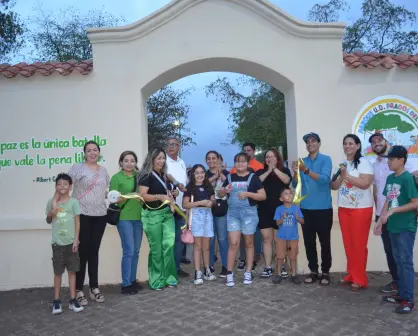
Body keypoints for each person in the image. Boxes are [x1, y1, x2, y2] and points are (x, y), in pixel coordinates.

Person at [369, 133, 418, 294]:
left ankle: (407, 297)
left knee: (404, 260)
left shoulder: (405, 172)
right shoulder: (384, 172)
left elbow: (414, 198)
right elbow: (384, 196)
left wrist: (393, 210)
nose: (389, 161)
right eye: (373, 142)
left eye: (392, 159)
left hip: (404, 221)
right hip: (388, 219)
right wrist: (380, 216)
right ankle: (399, 288)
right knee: (393, 255)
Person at [68, 141, 109, 305]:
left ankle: (94, 288)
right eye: (89, 150)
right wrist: (59, 203)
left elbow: (103, 191)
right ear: (84, 153)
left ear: (99, 152)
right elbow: (64, 185)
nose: (92, 153)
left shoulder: (104, 170)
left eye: (95, 150)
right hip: (82, 215)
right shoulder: (78, 168)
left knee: (94, 252)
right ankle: (78, 289)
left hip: (100, 215)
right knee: (82, 253)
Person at [331, 134, 373, 291]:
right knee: (348, 244)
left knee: (359, 244)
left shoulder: (364, 162)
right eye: (345, 144)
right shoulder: (341, 163)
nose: (347, 146)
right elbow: (334, 186)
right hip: (344, 208)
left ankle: (360, 279)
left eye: (350, 143)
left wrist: (346, 176)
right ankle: (351, 274)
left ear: (357, 146)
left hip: (361, 209)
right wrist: (340, 178)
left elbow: (365, 183)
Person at [218, 152, 266, 287]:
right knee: (233, 243)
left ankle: (248, 272)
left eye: (243, 161)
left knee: (249, 243)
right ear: (234, 163)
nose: (240, 164)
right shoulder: (229, 177)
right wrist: (224, 191)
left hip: (249, 214)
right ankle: (229, 273)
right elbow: (220, 193)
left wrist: (248, 194)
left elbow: (263, 196)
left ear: (248, 163)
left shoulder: (254, 178)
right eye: (238, 161)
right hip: (233, 214)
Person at [292, 132, 333, 285]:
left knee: (324, 242)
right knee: (309, 242)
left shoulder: (326, 159)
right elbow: (296, 185)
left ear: (318, 144)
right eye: (307, 142)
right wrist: (295, 173)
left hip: (323, 208)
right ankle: (313, 271)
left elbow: (324, 180)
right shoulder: (302, 161)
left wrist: (306, 170)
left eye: (313, 141)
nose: (310, 144)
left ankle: (326, 272)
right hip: (306, 208)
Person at [138, 147, 178, 290]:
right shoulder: (146, 175)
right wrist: (159, 197)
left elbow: (166, 192)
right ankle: (156, 280)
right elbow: (142, 196)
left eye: (163, 158)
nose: (162, 161)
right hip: (152, 215)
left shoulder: (164, 176)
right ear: (152, 159)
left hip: (167, 214)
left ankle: (169, 277)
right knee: (157, 249)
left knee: (168, 246)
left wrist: (174, 192)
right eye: (159, 158)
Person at [46, 173, 84, 314]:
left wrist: (76, 240)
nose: (62, 186)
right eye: (59, 184)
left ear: (70, 186)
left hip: (71, 244)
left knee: (72, 271)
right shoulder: (51, 202)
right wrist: (52, 210)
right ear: (56, 186)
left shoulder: (74, 202)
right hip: (57, 244)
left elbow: (77, 222)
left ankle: (73, 299)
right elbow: (48, 220)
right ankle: (56, 300)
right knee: (57, 272)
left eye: (65, 184)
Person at [109, 151, 143, 295]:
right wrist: (130, 195)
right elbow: (113, 198)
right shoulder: (117, 178)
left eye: (132, 161)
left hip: (139, 217)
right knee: (128, 251)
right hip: (124, 218)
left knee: (135, 251)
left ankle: (133, 280)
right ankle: (126, 284)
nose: (129, 163)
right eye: (126, 161)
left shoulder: (140, 176)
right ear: (121, 162)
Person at [257, 148, 292, 278]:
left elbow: (287, 181)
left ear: (277, 158)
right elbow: (257, 182)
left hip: (280, 210)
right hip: (264, 210)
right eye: (267, 157)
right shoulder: (261, 172)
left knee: (279, 240)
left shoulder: (284, 170)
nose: (269, 159)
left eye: (272, 157)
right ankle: (267, 267)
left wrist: (275, 169)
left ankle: (281, 265)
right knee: (267, 240)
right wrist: (268, 170)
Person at [231, 143, 264, 272]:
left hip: (252, 205)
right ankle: (243, 258)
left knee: (253, 235)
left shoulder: (259, 166)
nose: (247, 152)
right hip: (237, 207)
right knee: (240, 236)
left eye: (249, 150)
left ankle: (254, 259)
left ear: (254, 152)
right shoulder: (235, 169)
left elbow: (260, 185)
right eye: (245, 150)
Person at [183, 164, 217, 285]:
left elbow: (214, 201)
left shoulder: (208, 186)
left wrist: (210, 203)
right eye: (197, 173)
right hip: (196, 216)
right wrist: (200, 203)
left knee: (206, 246)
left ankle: (207, 270)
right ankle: (197, 271)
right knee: (197, 245)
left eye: (202, 172)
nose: (200, 175)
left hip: (208, 216)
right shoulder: (190, 187)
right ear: (193, 174)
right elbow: (185, 204)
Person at [165, 136, 190, 278]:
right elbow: (167, 175)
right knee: (169, 239)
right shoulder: (164, 161)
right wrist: (176, 184)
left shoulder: (182, 162)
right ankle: (169, 268)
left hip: (181, 207)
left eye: (174, 144)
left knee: (180, 239)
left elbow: (185, 183)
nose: (171, 147)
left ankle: (177, 267)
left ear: (179, 147)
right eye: (169, 145)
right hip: (168, 206)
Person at [272, 187, 304, 284]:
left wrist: (299, 219)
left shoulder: (296, 208)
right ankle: (278, 274)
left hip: (293, 238)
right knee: (280, 257)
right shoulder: (279, 209)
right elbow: (277, 223)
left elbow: (303, 221)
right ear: (281, 199)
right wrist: (282, 217)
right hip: (281, 238)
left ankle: (294, 274)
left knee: (293, 257)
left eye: (290, 193)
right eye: (286, 193)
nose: (289, 195)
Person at [206, 150, 229, 278]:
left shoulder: (226, 173)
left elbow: (230, 186)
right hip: (208, 211)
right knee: (210, 239)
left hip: (222, 210)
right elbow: (202, 185)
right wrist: (215, 176)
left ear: (218, 160)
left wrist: (222, 174)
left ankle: (225, 266)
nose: (211, 161)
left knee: (223, 239)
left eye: (213, 158)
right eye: (208, 158)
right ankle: (210, 265)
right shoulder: (204, 174)